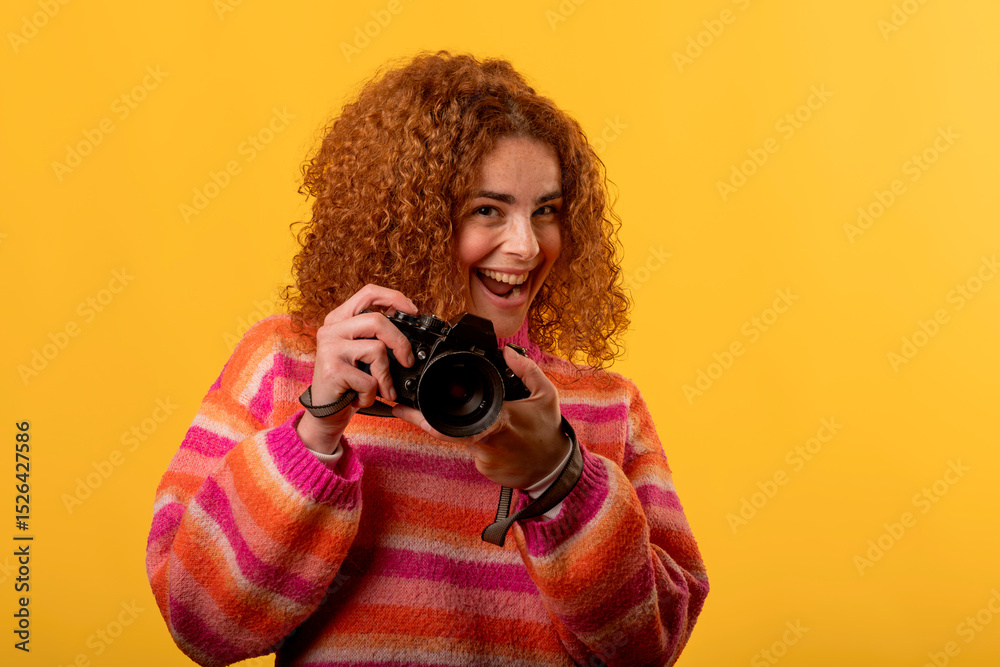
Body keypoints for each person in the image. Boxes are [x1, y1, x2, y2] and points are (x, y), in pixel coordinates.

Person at [146, 51, 708, 667]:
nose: (525, 247)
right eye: (487, 209)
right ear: (411, 216)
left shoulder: (603, 406)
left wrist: (557, 474)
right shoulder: (290, 364)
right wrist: (315, 435)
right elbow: (200, 623)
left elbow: (647, 648)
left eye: (544, 211)